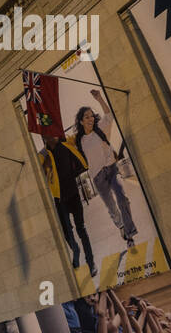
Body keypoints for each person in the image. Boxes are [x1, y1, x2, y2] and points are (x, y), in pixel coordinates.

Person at [73, 91, 138, 248]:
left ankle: (129, 235)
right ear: (81, 121)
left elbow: (109, 116)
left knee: (122, 197)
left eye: (91, 116)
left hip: (112, 169)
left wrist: (99, 98)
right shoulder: (78, 139)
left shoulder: (100, 127)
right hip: (97, 177)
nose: (90, 119)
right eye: (86, 117)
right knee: (111, 207)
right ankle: (121, 226)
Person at [40, 134, 96, 277]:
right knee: (66, 233)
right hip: (59, 200)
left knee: (81, 229)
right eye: (48, 134)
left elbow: (83, 164)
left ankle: (91, 263)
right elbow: (37, 173)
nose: (53, 136)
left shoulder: (66, 146)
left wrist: (73, 173)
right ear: (44, 137)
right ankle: (75, 251)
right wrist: (44, 166)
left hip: (73, 195)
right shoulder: (43, 155)